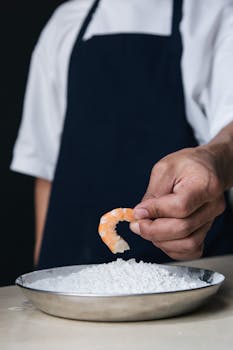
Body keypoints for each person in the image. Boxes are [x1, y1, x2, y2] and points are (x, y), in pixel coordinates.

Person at [11, 0, 233, 269]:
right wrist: (41, 278)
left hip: (186, 272)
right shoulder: (67, 20)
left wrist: (212, 159)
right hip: (70, 270)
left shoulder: (216, 12)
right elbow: (45, 168)